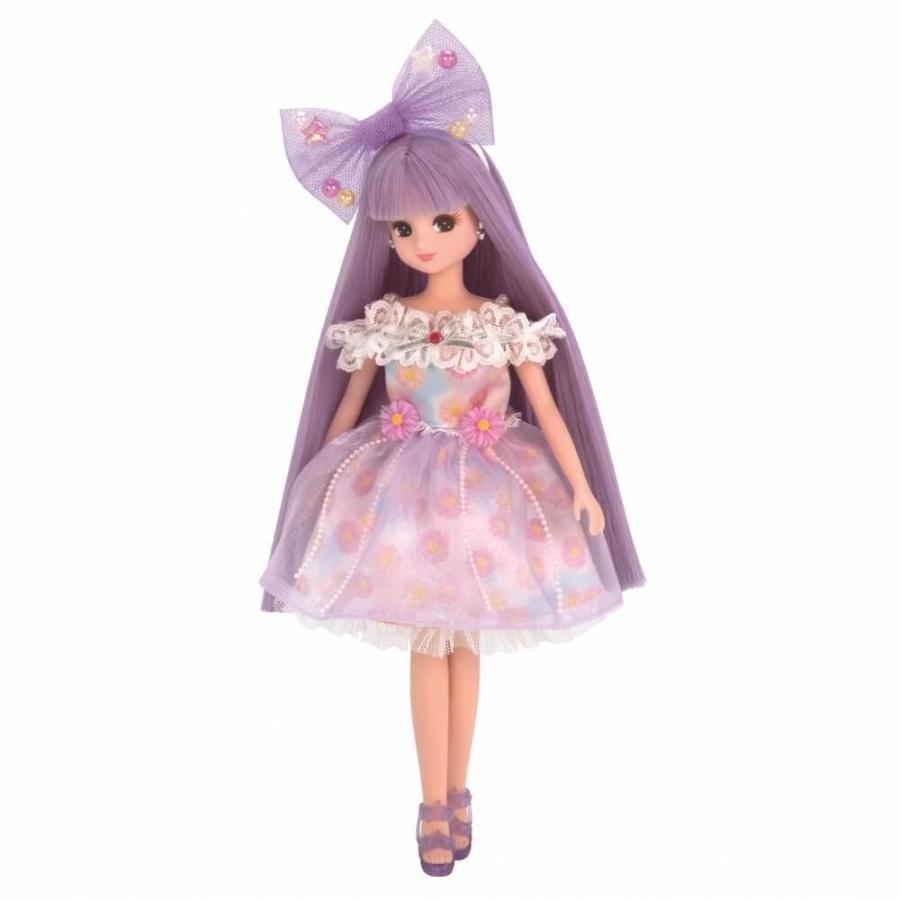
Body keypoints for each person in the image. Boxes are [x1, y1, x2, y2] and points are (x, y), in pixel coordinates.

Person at [259, 18, 646, 876]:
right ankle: (430, 800)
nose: (421, 240)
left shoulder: (503, 323)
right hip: (400, 502)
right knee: (429, 648)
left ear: (480, 223)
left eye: (439, 220)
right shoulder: (386, 321)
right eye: (401, 228)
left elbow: (549, 412)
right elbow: (345, 414)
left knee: (463, 647)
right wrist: (316, 484)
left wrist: (584, 489)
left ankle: (457, 791)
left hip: (491, 499)